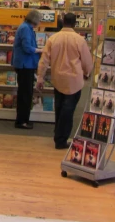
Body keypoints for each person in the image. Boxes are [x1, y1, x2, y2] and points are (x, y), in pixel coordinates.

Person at [36, 12, 93, 149]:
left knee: (59, 108)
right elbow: (87, 61)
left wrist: (40, 77)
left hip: (58, 79)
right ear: (74, 23)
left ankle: (58, 134)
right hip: (74, 80)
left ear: (62, 21)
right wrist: (87, 72)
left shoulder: (53, 39)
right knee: (68, 111)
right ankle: (61, 139)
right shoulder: (79, 40)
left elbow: (44, 61)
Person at [12, 10, 42, 129]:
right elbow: (27, 48)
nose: (40, 22)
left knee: (26, 92)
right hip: (25, 65)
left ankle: (23, 119)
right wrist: (40, 50)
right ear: (34, 19)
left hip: (26, 64)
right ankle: (21, 121)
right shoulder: (25, 28)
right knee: (25, 93)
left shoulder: (26, 27)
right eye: (39, 20)